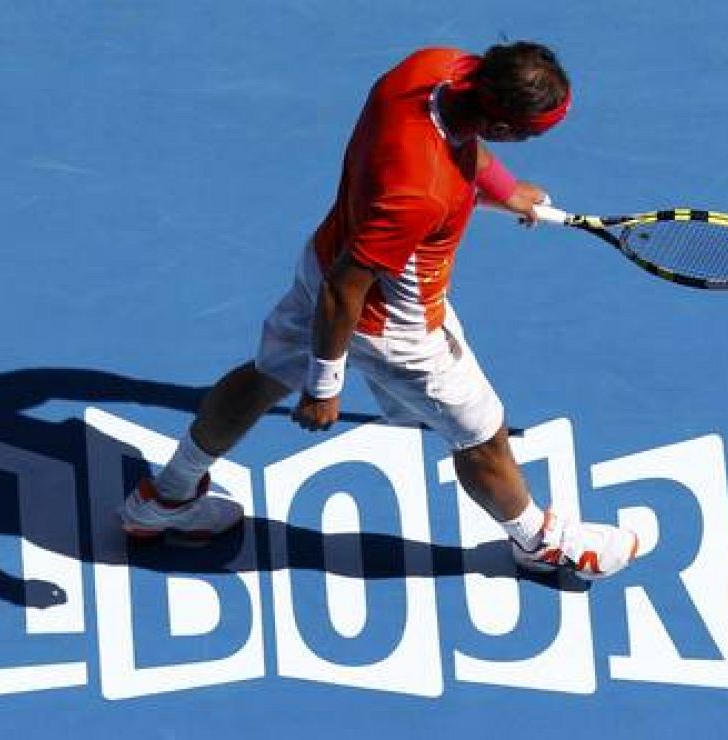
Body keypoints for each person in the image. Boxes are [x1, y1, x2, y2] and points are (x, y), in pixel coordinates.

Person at [120, 41, 638, 580]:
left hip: (324, 255)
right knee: (482, 435)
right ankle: (538, 542)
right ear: (501, 127)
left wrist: (503, 190)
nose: (523, 143)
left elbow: (459, 148)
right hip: (390, 323)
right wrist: (324, 385)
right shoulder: (420, 191)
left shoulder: (433, 68)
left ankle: (169, 496)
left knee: (264, 377)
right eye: (527, 134)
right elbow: (345, 291)